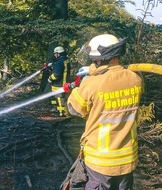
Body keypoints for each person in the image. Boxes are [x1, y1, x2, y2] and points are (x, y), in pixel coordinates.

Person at [64, 34, 144, 189]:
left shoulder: (92, 83)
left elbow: (73, 109)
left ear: (99, 59)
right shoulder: (136, 79)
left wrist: (84, 83)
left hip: (100, 161)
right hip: (127, 159)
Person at [47, 46, 70, 117]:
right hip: (65, 82)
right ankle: (55, 110)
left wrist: (50, 78)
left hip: (58, 84)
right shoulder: (65, 59)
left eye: (55, 53)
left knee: (59, 99)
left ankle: (62, 113)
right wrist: (53, 65)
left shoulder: (59, 62)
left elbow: (56, 75)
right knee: (56, 98)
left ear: (58, 54)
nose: (54, 55)